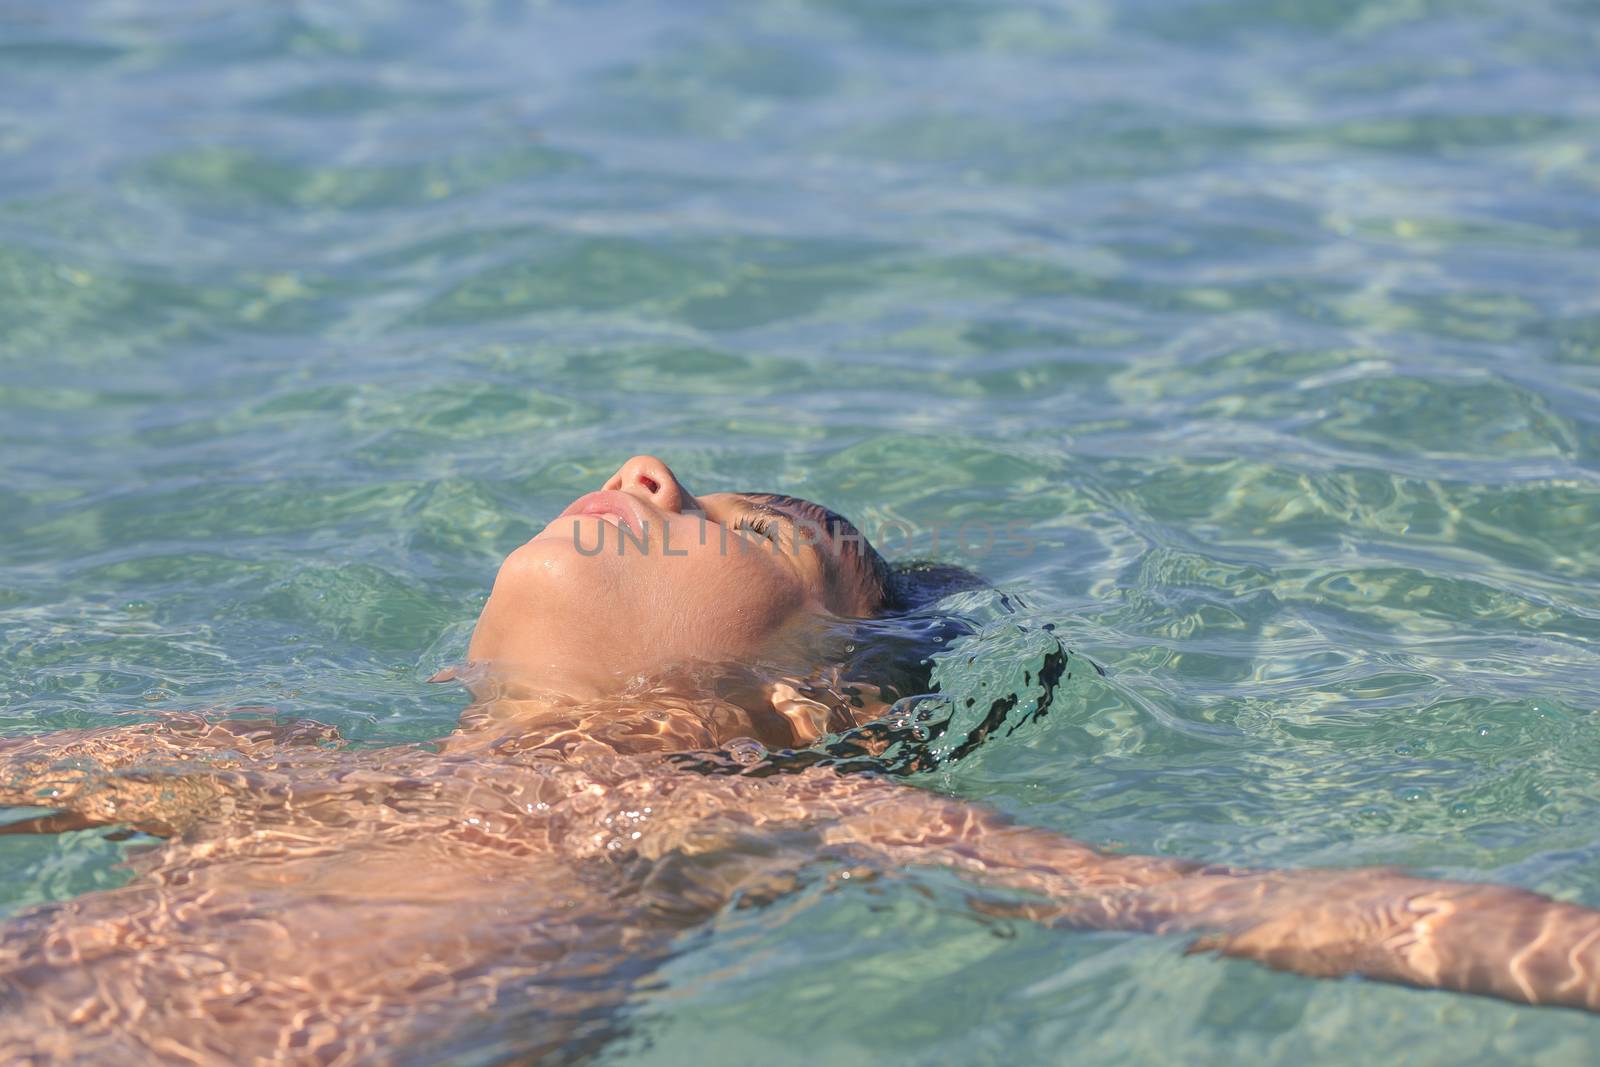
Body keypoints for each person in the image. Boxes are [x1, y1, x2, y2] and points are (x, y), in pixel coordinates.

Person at [1, 455, 1598, 1065]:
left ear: (818, 707)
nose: (650, 465)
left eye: (756, 525)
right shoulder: (247, 761)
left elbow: (1200, 899)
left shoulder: (741, 814)